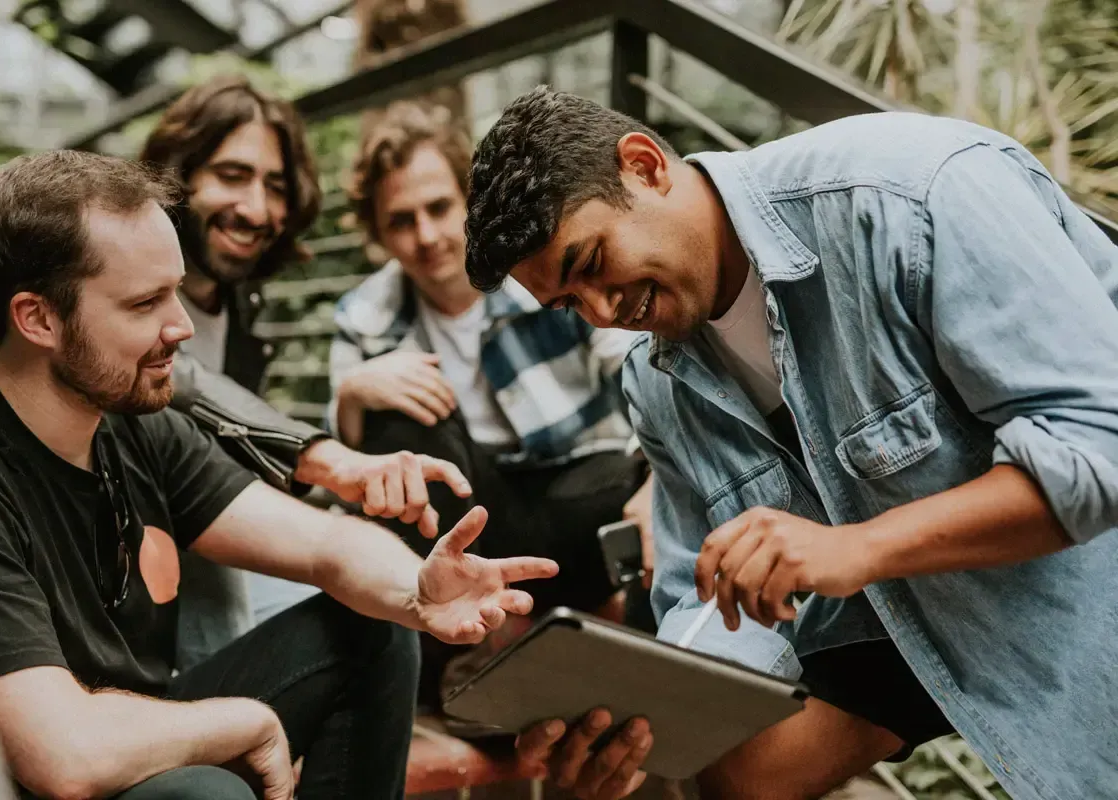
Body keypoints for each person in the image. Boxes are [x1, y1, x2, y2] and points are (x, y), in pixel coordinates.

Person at [463, 87, 1118, 800]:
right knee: (737, 773)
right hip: (897, 605)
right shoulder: (654, 383)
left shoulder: (915, 190)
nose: (601, 313)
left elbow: (1097, 448)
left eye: (591, 262)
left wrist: (857, 548)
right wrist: (642, 730)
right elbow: (704, 603)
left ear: (645, 165)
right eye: (567, 306)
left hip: (1074, 575)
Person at [0, 150, 558, 800]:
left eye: (175, 289)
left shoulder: (132, 421)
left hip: (132, 728)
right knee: (207, 793)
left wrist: (417, 591)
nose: (183, 326)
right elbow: (64, 756)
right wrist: (244, 723)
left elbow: (323, 544)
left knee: (372, 630)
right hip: (36, 773)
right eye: (144, 304)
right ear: (39, 319)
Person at [331, 100, 657, 706]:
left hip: (578, 504)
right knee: (391, 413)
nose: (426, 237)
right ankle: (475, 650)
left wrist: (657, 479)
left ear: (468, 204)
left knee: (642, 471)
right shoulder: (367, 317)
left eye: (438, 209)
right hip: (465, 525)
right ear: (378, 234)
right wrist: (353, 396)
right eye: (401, 221)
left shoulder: (540, 270)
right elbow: (352, 474)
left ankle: (589, 645)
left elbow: (641, 369)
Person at [137, 76, 468, 668]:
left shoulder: (241, 307)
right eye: (233, 176)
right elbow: (174, 383)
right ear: (177, 176)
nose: (257, 209)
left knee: (372, 617)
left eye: (276, 187)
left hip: (216, 547)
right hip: (133, 574)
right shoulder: (125, 284)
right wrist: (330, 458)